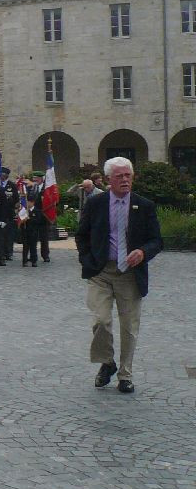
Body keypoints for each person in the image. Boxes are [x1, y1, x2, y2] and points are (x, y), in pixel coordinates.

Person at [75, 157, 163, 394]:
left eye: (128, 176)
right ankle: (107, 362)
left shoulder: (144, 206)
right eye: (119, 176)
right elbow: (81, 235)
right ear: (108, 180)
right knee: (101, 320)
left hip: (130, 273)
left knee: (129, 326)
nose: (125, 180)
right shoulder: (96, 204)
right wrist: (87, 259)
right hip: (101, 271)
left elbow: (156, 240)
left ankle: (125, 374)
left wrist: (143, 252)